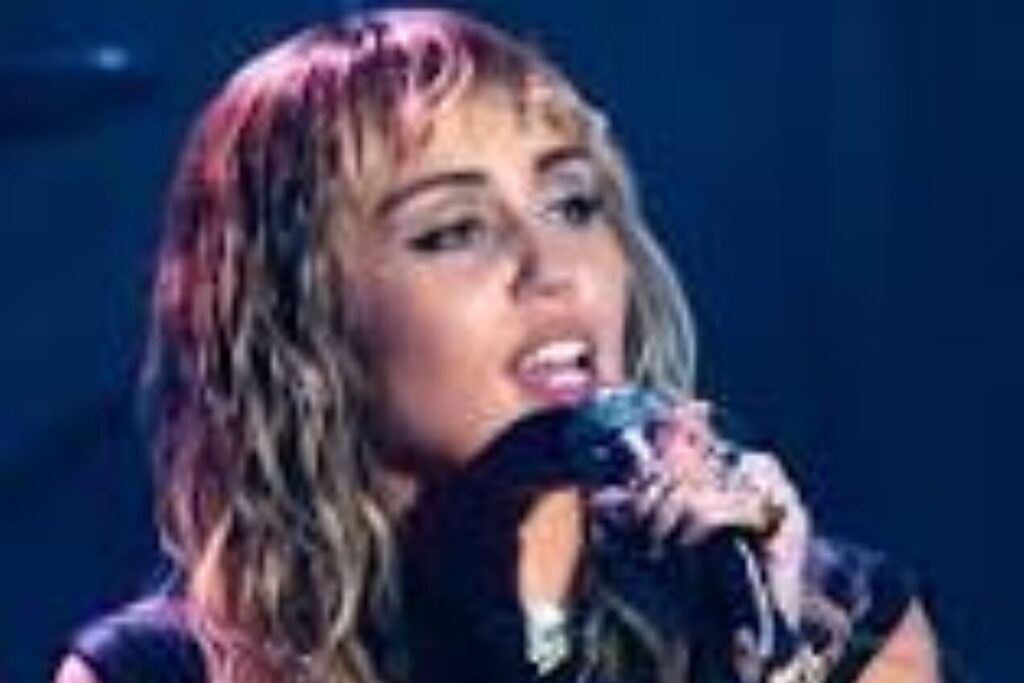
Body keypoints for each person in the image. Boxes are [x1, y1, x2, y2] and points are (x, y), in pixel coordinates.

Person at [53, 8, 943, 683]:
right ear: (303, 323)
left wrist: (762, 650)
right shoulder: (158, 673)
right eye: (454, 230)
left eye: (573, 205)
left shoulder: (837, 622)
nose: (552, 268)